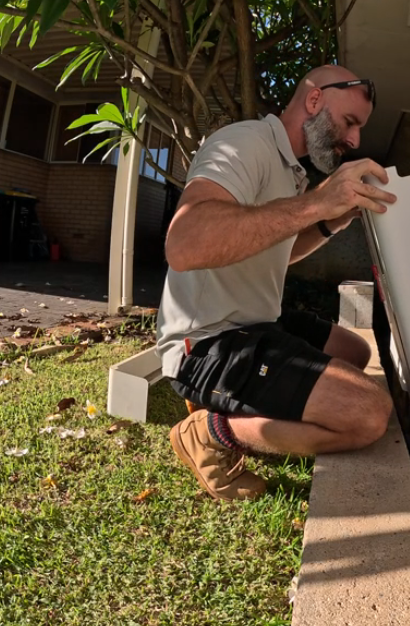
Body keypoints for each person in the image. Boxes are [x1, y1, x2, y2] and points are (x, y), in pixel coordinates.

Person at [157, 65, 397, 501]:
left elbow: (277, 251)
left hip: (257, 322)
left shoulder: (294, 173)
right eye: (350, 123)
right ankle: (210, 431)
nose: (355, 141)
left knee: (355, 352)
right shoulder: (243, 143)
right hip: (208, 341)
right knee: (368, 414)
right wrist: (317, 203)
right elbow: (184, 243)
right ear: (313, 101)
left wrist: (329, 223)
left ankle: (239, 404)